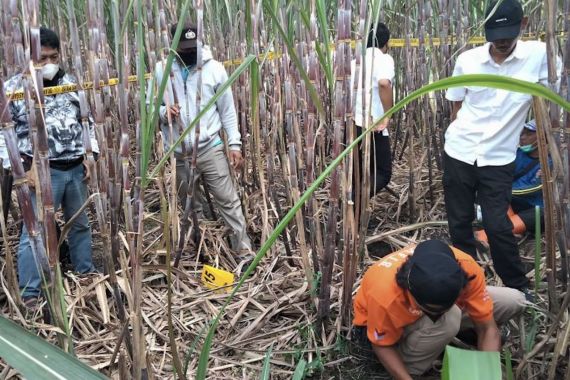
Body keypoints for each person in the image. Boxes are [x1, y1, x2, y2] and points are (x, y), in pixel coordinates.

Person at [443, 0, 561, 293]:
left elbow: (556, 101)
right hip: (459, 151)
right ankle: (468, 284)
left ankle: (518, 287)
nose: (502, 43)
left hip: (498, 158)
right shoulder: (468, 61)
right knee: (459, 223)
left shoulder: (539, 57)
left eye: (508, 35)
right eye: (495, 37)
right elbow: (456, 106)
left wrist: (537, 133)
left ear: (523, 25)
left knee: (497, 226)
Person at [1, 27, 98, 304]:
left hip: (75, 167)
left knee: (79, 223)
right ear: (29, 59)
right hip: (41, 171)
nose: (47, 64)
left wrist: (91, 154)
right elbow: (2, 133)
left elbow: (87, 121)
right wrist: (20, 168)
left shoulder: (70, 83)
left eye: (52, 57)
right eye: (41, 59)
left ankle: (85, 274)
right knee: (35, 231)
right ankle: (31, 293)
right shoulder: (13, 89)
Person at [352, 239, 525, 379]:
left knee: (513, 300)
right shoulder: (385, 295)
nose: (436, 315)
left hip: (445, 307)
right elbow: (382, 345)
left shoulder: (466, 267)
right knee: (449, 320)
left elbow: (487, 327)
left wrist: (485, 374)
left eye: (441, 309)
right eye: (429, 310)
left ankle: (446, 334)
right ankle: (411, 365)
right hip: (381, 328)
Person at [151, 22, 252, 258]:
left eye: (191, 48)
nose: (188, 53)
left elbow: (227, 110)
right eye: (183, 49)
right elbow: (150, 106)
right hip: (178, 151)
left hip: (210, 148)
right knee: (190, 206)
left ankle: (244, 253)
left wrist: (234, 144)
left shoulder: (215, 69)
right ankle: (201, 251)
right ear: (173, 47)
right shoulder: (161, 70)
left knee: (228, 201)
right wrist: (164, 113)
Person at [475, 120, 546, 249]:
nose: (522, 137)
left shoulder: (552, 162)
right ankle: (512, 230)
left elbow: (536, 189)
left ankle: (485, 234)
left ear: (543, 136)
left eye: (528, 134)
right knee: (495, 193)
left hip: (532, 207)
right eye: (522, 133)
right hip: (509, 202)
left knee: (542, 214)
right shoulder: (515, 154)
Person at [350, 23, 394, 197]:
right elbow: (384, 83)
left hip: (354, 124)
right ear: (386, 43)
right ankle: (354, 201)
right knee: (383, 173)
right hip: (374, 125)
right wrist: (388, 115)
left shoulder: (355, 62)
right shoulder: (384, 59)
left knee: (359, 173)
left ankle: (354, 217)